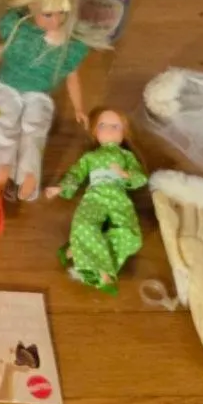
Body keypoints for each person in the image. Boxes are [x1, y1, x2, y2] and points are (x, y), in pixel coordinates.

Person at [0, 0, 103, 202]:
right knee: (4, 126)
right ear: (31, 7)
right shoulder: (16, 29)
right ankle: (2, 171)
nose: (56, 21)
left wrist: (79, 108)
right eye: (48, 14)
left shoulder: (68, 45)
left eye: (62, 13)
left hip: (39, 93)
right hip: (8, 86)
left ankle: (28, 175)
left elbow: (72, 76)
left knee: (35, 131)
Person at [46, 108, 148, 293]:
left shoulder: (126, 156)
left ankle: (78, 249)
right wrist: (61, 188)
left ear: (124, 133)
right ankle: (102, 271)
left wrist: (125, 174)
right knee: (84, 225)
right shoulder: (90, 157)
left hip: (118, 196)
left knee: (132, 237)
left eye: (115, 126)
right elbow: (76, 174)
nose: (108, 129)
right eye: (102, 125)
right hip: (95, 195)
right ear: (94, 132)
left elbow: (140, 177)